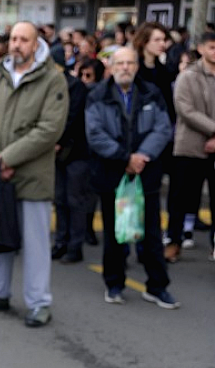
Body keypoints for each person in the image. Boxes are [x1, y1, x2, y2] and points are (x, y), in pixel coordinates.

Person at [0, 21, 67, 327]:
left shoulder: (52, 79)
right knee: (0, 234)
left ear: (36, 44)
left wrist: (7, 158)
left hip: (31, 175)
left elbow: (49, 130)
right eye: (13, 38)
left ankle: (39, 302)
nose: (16, 44)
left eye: (24, 39)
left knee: (36, 242)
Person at [86, 46, 178, 309]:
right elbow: (95, 134)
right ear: (111, 67)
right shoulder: (97, 95)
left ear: (137, 66)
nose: (125, 67)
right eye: (120, 63)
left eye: (130, 63)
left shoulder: (152, 93)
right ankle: (114, 284)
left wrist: (141, 156)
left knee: (151, 234)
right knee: (115, 235)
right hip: (111, 175)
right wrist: (124, 158)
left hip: (145, 174)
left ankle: (157, 287)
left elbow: (162, 129)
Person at [165, 32, 215, 263]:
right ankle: (174, 241)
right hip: (189, 146)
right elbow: (185, 109)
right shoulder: (188, 76)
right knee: (180, 197)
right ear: (202, 49)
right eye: (212, 47)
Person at [50, 47, 91, 264]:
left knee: (74, 200)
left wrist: (58, 141)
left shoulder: (75, 87)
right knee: (60, 199)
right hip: (58, 153)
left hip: (76, 153)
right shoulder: (50, 86)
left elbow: (72, 118)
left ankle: (75, 246)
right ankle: (60, 242)